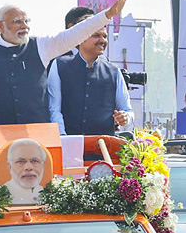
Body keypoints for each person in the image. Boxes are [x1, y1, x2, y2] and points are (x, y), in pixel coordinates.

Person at [0, 0, 132, 127]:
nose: (25, 27)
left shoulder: (40, 46)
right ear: (0, 26)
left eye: (26, 21)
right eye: (17, 22)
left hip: (38, 136)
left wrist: (108, 14)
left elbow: (73, 35)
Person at [47, 7, 133, 136]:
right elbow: (54, 109)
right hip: (69, 146)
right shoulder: (59, 65)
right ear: (80, 38)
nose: (102, 41)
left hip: (103, 149)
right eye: (96, 36)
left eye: (104, 36)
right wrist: (63, 139)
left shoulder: (113, 71)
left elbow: (127, 110)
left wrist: (125, 118)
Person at [2, 138, 49, 206]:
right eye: (21, 162)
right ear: (10, 166)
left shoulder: (51, 196)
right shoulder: (1, 196)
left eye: (35, 161)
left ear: (43, 165)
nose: (28, 168)